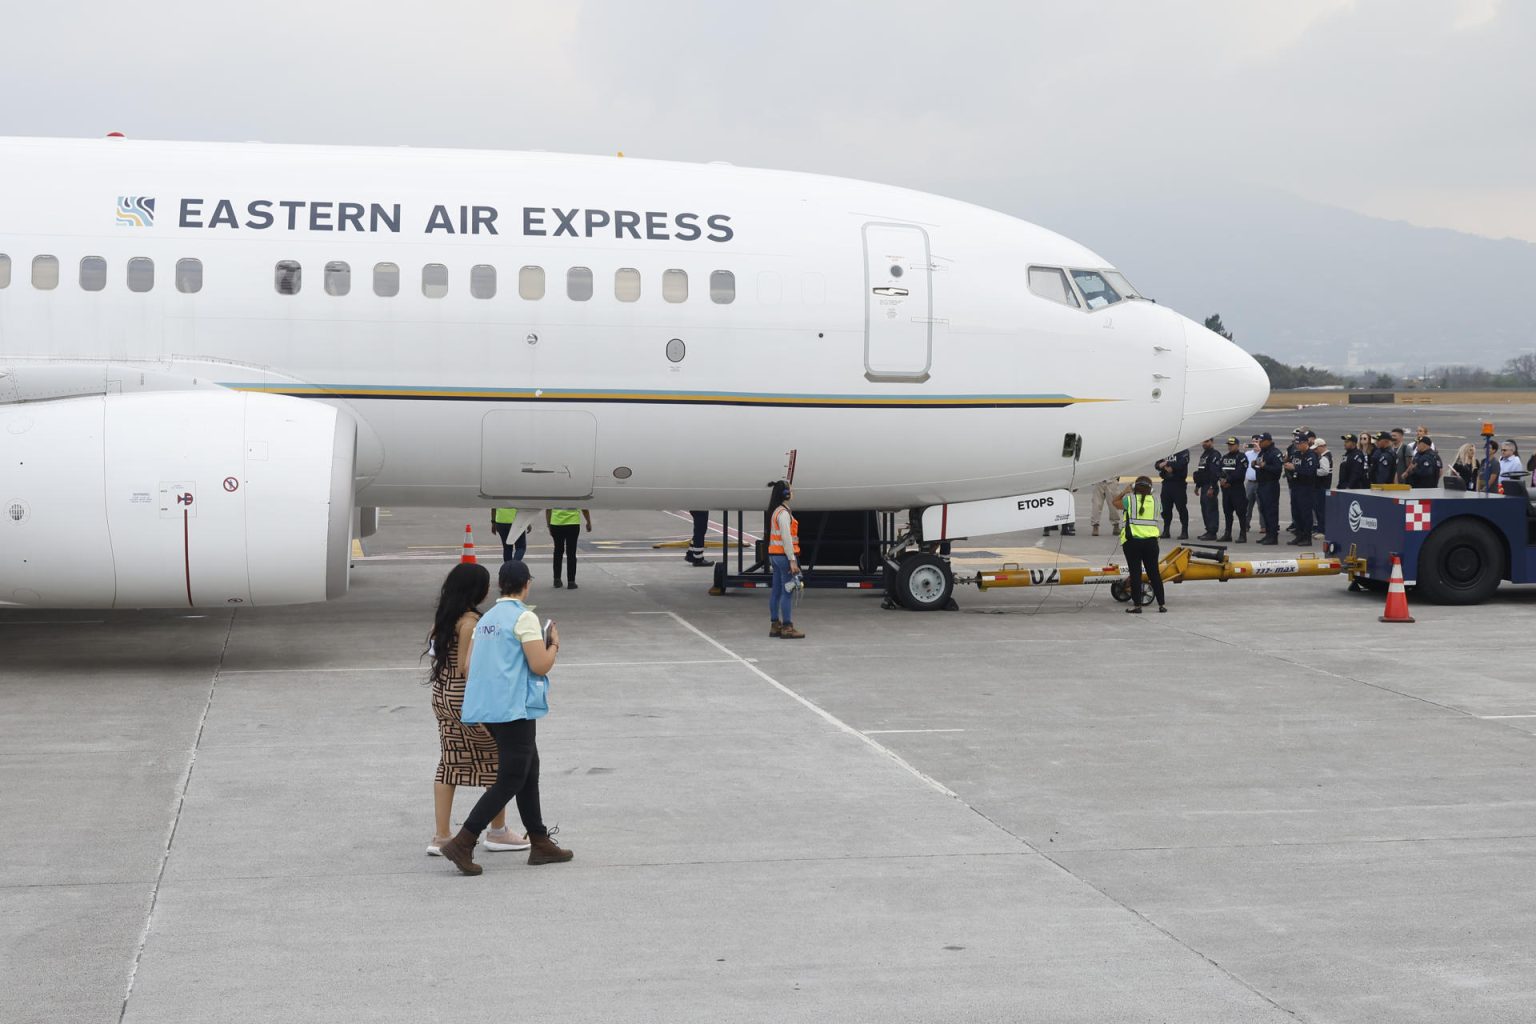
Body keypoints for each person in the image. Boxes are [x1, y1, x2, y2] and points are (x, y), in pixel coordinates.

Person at [438, 559, 573, 875]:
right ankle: (463, 840)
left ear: (500, 585)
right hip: (514, 709)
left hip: (489, 709)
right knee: (512, 777)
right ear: (527, 584)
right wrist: (553, 644)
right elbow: (539, 665)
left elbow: (469, 666)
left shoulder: (486, 620)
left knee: (528, 770)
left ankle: (539, 840)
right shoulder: (523, 618)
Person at [424, 563, 527, 857]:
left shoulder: (444, 618)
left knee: (449, 763)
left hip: (442, 694)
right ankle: (497, 830)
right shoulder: (470, 622)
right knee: (498, 759)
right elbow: (466, 668)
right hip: (464, 697)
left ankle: (441, 835)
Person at [1119, 476, 1166, 613]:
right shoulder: (1157, 502)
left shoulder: (1129, 500)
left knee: (1135, 573)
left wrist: (1124, 492)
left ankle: (1137, 605)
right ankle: (1161, 604)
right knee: (1154, 573)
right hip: (1151, 543)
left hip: (1133, 542)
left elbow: (1114, 502)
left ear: (1134, 488)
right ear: (1151, 489)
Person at [766, 479, 804, 639]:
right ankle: (787, 626)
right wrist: (792, 560)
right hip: (783, 557)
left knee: (776, 591)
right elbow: (787, 538)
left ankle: (775, 625)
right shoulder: (783, 514)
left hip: (774, 556)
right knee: (787, 592)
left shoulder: (776, 511)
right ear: (786, 494)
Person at [546, 508, 592, 589]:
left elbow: (548, 509)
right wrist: (588, 522)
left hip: (556, 523)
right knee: (571, 553)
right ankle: (571, 582)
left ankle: (557, 580)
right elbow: (584, 508)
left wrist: (549, 525)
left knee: (558, 552)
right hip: (572, 523)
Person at [1253, 433, 1284, 545]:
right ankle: (1268, 534)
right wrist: (1254, 465)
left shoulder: (1275, 453)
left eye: (1261, 441)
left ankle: (1273, 536)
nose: (1259, 443)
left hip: (1271, 485)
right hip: (1261, 484)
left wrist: (1264, 466)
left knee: (1271, 511)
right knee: (1264, 510)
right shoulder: (1263, 452)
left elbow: (1277, 469)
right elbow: (1259, 464)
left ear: (1268, 441)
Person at [1216, 437, 1248, 542]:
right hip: (1226, 490)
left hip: (1237, 489)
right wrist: (1221, 480)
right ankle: (1227, 534)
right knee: (1227, 512)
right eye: (1229, 445)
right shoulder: (1224, 457)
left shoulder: (1241, 457)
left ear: (1237, 445)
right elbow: (1219, 470)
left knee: (1241, 512)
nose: (1230, 446)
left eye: (1232, 445)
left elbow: (1240, 473)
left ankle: (1243, 534)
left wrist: (1228, 481)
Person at [1154, 448, 1189, 539]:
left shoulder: (1184, 451)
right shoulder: (1166, 450)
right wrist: (1165, 466)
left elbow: (1181, 464)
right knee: (1165, 509)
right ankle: (1166, 530)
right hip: (1167, 484)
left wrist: (1166, 464)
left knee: (1181, 508)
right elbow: (1157, 465)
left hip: (1179, 484)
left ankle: (1184, 531)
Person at [1193, 438, 1222, 540]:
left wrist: (1211, 487)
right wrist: (1197, 486)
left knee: (1211, 509)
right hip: (1204, 486)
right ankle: (1209, 530)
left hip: (1210, 486)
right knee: (1205, 509)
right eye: (1203, 441)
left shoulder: (1214, 454)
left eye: (1206, 441)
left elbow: (1214, 473)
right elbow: (1201, 472)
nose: (1204, 443)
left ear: (1212, 442)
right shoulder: (1204, 455)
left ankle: (1213, 532)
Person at [1310, 438, 1333, 537]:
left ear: (1322, 447)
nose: (1315, 451)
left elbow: (1325, 471)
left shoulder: (1324, 458)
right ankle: (1320, 528)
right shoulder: (1325, 456)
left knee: (1320, 509)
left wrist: (1313, 472)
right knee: (1319, 509)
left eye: (1316, 448)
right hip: (1321, 487)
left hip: (1321, 486)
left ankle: (1322, 530)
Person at [1242, 436, 1261, 537]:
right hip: (1249, 482)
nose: (1254, 444)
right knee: (1247, 505)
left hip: (1260, 482)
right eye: (1253, 442)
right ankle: (1245, 525)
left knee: (1261, 505)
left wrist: (1259, 450)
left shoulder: (1262, 453)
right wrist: (1243, 451)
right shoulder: (1248, 454)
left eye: (1256, 441)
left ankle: (1263, 526)